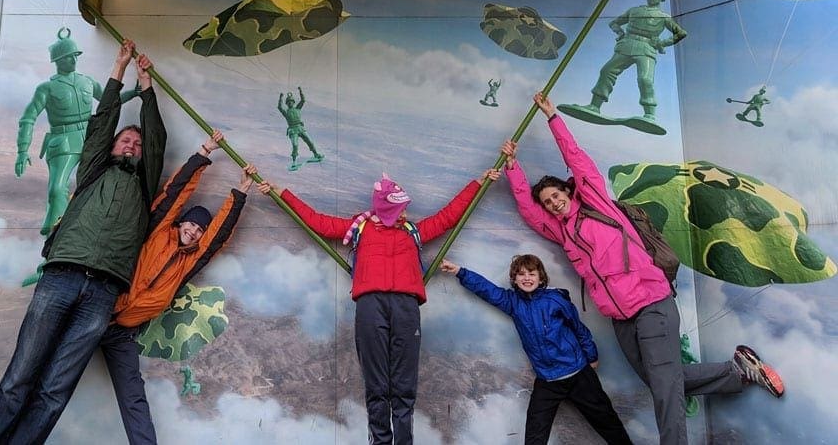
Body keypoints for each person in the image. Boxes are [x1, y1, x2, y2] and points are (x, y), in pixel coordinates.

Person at [500, 92, 784, 445]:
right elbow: (530, 212)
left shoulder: (596, 203)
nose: (553, 203)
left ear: (569, 193)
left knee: (665, 388)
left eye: (557, 195)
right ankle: (737, 372)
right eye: (548, 202)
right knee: (661, 379)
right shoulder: (562, 232)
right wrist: (513, 167)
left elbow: (578, 161)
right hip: (621, 319)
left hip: (652, 303)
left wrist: (553, 118)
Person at [0, 39, 167, 445]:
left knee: (54, 391)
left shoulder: (144, 186)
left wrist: (145, 83)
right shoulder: (94, 169)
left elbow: (155, 138)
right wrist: (119, 67)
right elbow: (101, 124)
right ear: (111, 148)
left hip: (102, 292)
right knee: (19, 378)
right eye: (124, 141)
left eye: (134, 144)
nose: (130, 145)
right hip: (60, 277)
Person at [258, 166, 500, 444]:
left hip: (406, 307)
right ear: (387, 209)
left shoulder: (413, 231)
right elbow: (319, 222)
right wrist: (281, 193)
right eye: (400, 209)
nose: (405, 213)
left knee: (404, 383)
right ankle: (381, 440)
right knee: (376, 383)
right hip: (370, 305)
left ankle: (404, 441)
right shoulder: (360, 228)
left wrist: (479, 182)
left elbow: (448, 216)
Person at [98, 130, 256, 444]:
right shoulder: (158, 231)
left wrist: (239, 192)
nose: (194, 232)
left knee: (133, 398)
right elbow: (176, 194)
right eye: (191, 224)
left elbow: (218, 236)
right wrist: (203, 154)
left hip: (123, 331)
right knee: (56, 382)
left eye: (199, 230)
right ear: (180, 222)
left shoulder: (190, 262)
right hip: (97, 312)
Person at [440, 254, 631, 445]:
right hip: (547, 380)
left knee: (608, 422)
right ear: (514, 279)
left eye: (532, 273)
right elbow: (487, 290)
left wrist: (591, 355)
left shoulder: (555, 300)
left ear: (541, 277)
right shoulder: (513, 303)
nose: (527, 278)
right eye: (521, 274)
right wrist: (459, 271)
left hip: (578, 374)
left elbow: (578, 328)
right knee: (534, 434)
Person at [16, 27, 139, 238]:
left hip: (92, 138)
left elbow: (109, 100)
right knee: (57, 189)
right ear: (57, 60)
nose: (72, 60)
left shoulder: (86, 81)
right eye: (67, 57)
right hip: (63, 141)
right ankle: (54, 235)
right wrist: (22, 150)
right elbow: (28, 118)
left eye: (74, 56)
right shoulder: (46, 88)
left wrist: (133, 93)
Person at [277, 86, 324, 170]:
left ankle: (316, 154)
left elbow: (303, 100)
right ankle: (294, 162)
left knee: (310, 141)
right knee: (295, 145)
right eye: (288, 102)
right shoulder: (286, 113)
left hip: (300, 128)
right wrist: (281, 97)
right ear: (287, 104)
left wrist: (300, 91)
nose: (290, 103)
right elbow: (280, 107)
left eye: (291, 101)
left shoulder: (298, 109)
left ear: (293, 102)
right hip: (292, 130)